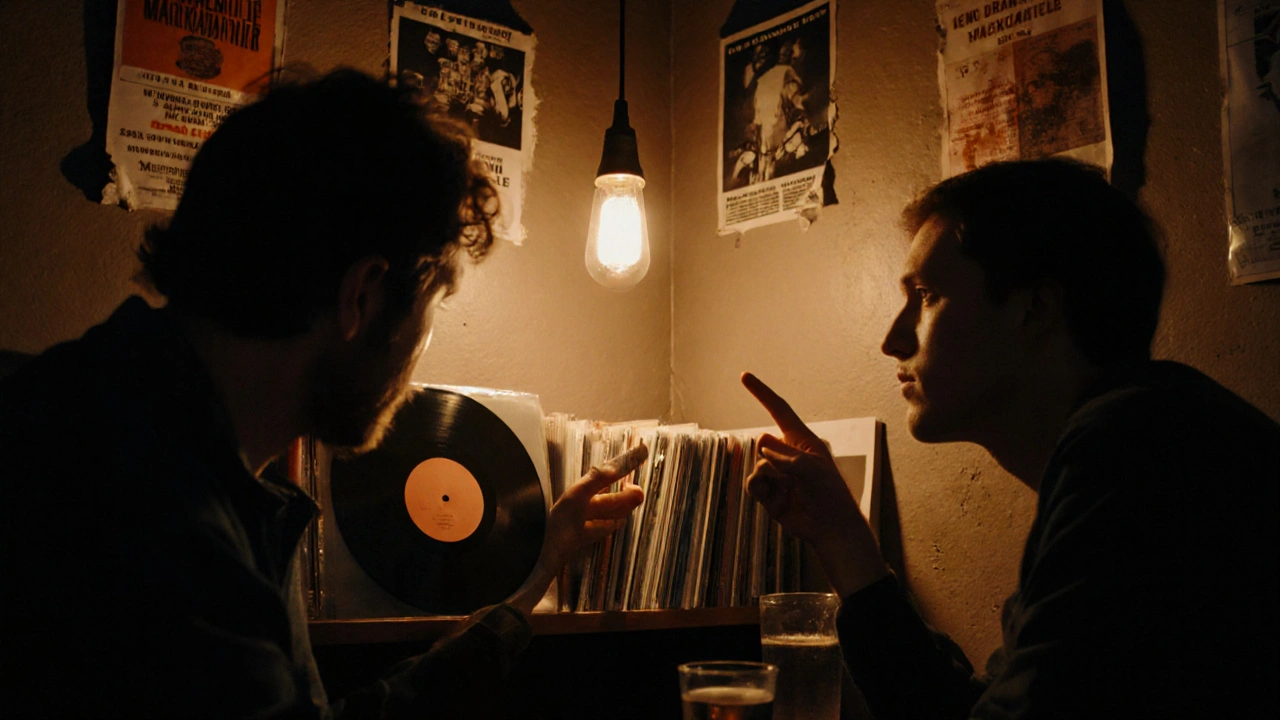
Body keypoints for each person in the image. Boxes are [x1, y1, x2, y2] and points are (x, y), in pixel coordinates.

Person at [0, 68, 647, 718]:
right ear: (360, 297)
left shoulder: (104, 417)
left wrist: (534, 575)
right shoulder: (163, 535)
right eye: (431, 311)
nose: (417, 365)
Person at [742, 159, 1279, 718]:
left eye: (925, 294)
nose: (892, 340)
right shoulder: (1142, 439)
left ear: (1035, 310)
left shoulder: (1142, 455)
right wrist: (842, 537)